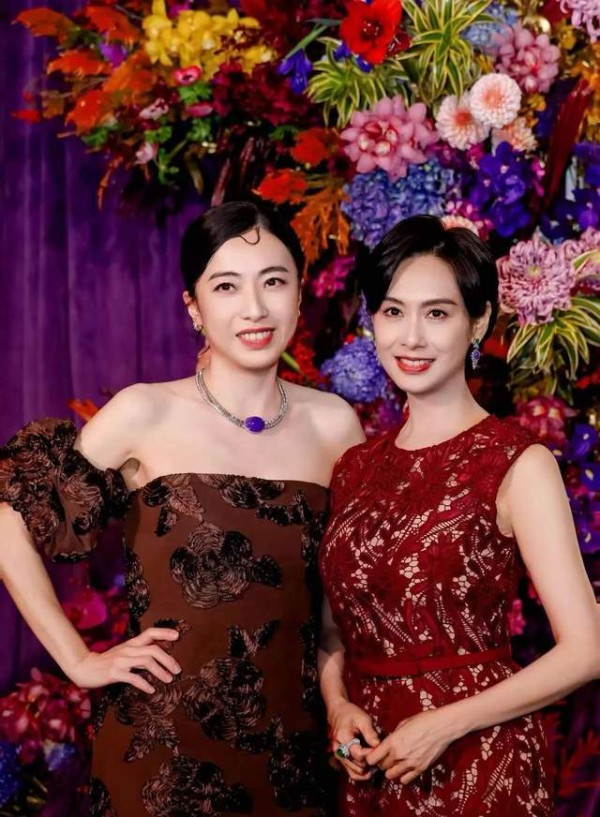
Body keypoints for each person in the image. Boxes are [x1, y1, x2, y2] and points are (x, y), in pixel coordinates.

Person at [0, 200, 364, 817]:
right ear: (193, 307)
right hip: (160, 757)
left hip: (293, 758)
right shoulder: (146, 412)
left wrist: (339, 705)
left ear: (300, 296)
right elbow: (10, 516)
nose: (254, 308)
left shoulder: (335, 425)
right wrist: (78, 660)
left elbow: (334, 612)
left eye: (274, 281)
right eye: (226, 286)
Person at [318, 214, 600, 816]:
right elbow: (333, 630)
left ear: (478, 321)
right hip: (373, 766)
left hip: (479, 762)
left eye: (437, 313)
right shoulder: (354, 468)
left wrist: (445, 723)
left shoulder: (517, 462)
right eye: (393, 312)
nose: (411, 337)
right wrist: (337, 706)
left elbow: (588, 648)